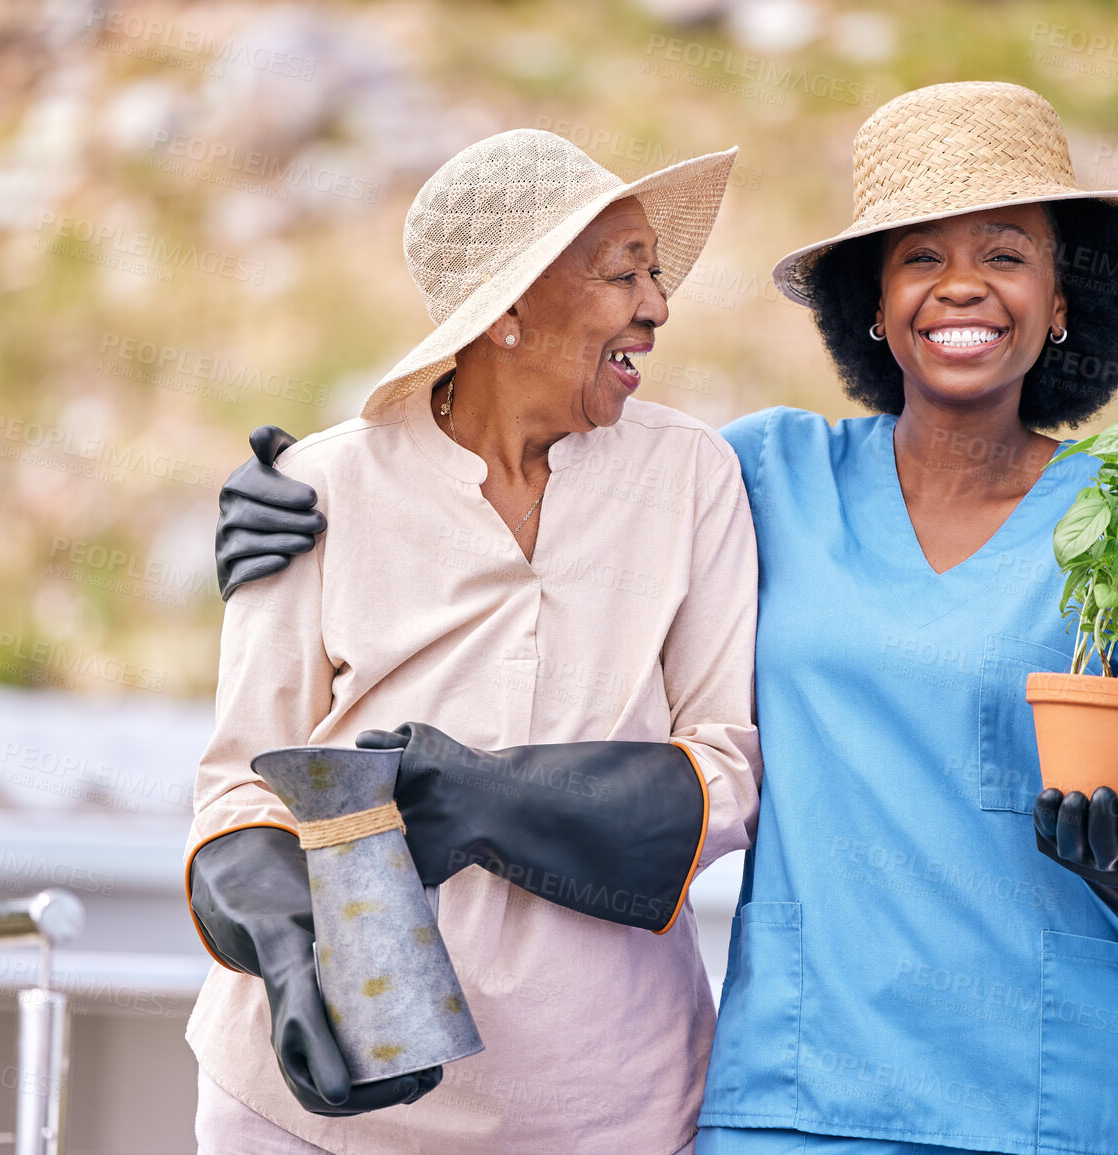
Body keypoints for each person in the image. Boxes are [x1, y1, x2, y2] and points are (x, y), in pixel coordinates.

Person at [216, 83, 1118, 1155]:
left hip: (1067, 1094)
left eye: (1006, 255)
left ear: (1064, 299)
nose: (962, 287)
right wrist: (299, 498)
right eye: (919, 258)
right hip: (798, 1099)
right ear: (872, 300)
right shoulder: (765, 471)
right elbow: (528, 441)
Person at [185, 128, 762, 1155]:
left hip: (608, 1112)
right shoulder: (320, 489)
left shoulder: (692, 479)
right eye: (623, 274)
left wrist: (491, 797)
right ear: (505, 311)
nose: (657, 306)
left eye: (656, 272)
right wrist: (285, 961)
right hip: (311, 1118)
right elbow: (240, 787)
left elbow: (726, 771)